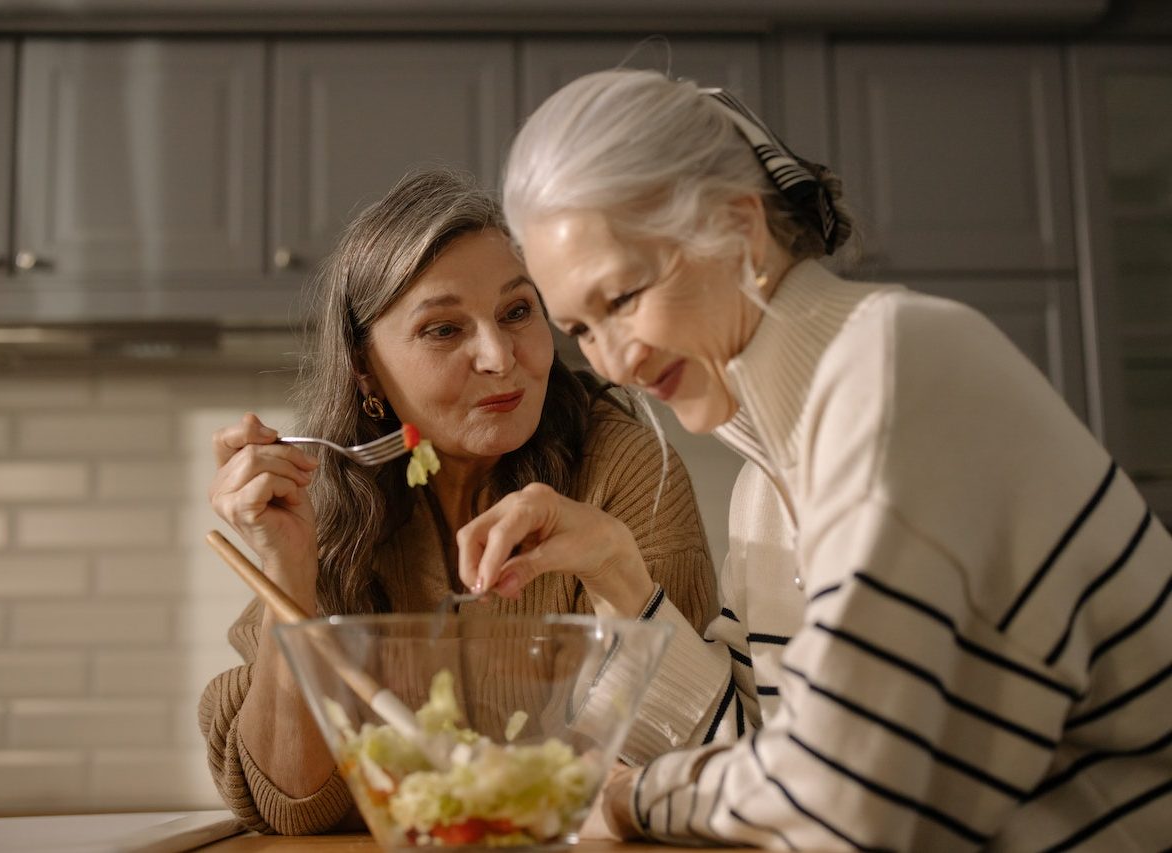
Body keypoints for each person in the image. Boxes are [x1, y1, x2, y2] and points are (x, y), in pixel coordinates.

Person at [455, 69, 1172, 850]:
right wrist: (617, 570)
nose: (616, 361)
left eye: (622, 298)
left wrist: (633, 801)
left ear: (739, 228)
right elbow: (754, 754)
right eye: (582, 330)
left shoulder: (897, 369)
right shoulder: (769, 480)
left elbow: (843, 800)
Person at [199, 168, 718, 836]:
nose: (500, 356)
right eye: (444, 329)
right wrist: (289, 567)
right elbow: (292, 802)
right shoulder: (323, 497)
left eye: (517, 311)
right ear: (365, 368)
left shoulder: (625, 467)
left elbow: (665, 755)